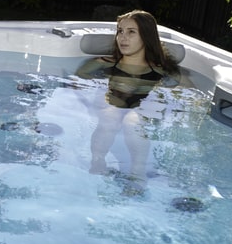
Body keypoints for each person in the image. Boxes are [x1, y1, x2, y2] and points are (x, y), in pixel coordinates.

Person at [75, 10, 183, 190]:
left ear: (146, 37)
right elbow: (81, 75)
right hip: (114, 100)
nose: (123, 37)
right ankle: (97, 161)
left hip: (144, 104)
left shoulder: (160, 70)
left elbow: (178, 88)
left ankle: (138, 171)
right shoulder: (108, 63)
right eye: (120, 31)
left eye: (131, 32)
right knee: (110, 115)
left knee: (133, 122)